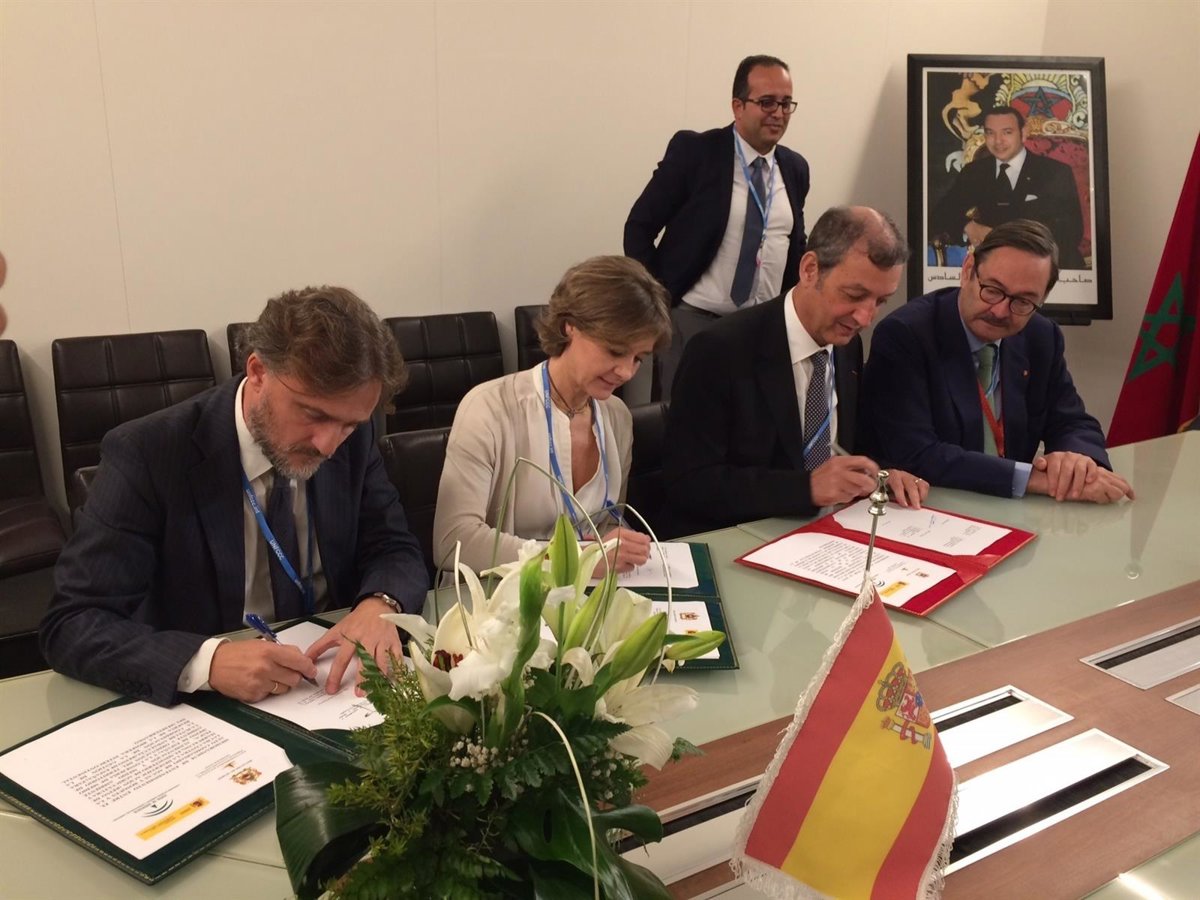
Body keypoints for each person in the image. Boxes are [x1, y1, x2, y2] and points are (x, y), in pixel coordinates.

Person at [41, 286, 429, 707]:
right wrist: (206, 662)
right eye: (313, 414)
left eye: (349, 425)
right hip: (208, 704)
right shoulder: (149, 453)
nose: (328, 445)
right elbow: (72, 623)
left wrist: (380, 604)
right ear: (258, 372)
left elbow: (394, 546)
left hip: (329, 686)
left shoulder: (352, 438)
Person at [661, 206, 927, 536]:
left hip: (829, 536)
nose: (865, 318)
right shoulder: (720, 350)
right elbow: (689, 483)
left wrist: (883, 475)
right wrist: (807, 488)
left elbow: (846, 448)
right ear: (810, 269)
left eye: (880, 301)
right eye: (854, 295)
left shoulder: (847, 346)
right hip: (744, 537)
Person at [861, 219, 1134, 503]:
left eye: (1023, 301)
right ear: (967, 270)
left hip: (1012, 512)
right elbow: (918, 454)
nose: (1001, 311)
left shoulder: (1041, 336)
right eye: (992, 289)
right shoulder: (907, 335)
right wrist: (1034, 479)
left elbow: (1072, 421)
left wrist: (1077, 464)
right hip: (933, 508)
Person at [433, 256, 671, 573]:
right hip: (499, 596)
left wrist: (620, 545)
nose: (626, 372)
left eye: (638, 358)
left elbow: (605, 522)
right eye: (615, 351)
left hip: (585, 591)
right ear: (568, 327)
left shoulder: (617, 416)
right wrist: (577, 559)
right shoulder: (489, 409)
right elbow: (453, 543)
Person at [624, 54, 810, 399]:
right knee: (685, 418)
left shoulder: (795, 168)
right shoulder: (697, 152)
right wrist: (656, 299)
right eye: (767, 102)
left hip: (761, 327)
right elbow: (639, 227)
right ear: (738, 106)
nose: (778, 113)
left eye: (786, 103)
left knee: (750, 421)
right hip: (694, 321)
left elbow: (794, 244)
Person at [931, 106, 1085, 268]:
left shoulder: (1055, 172)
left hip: (1046, 264)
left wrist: (1012, 244)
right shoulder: (975, 172)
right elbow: (940, 213)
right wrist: (968, 227)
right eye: (990, 133)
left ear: (1023, 133)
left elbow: (1071, 230)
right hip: (993, 264)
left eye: (1007, 132)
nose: (998, 141)